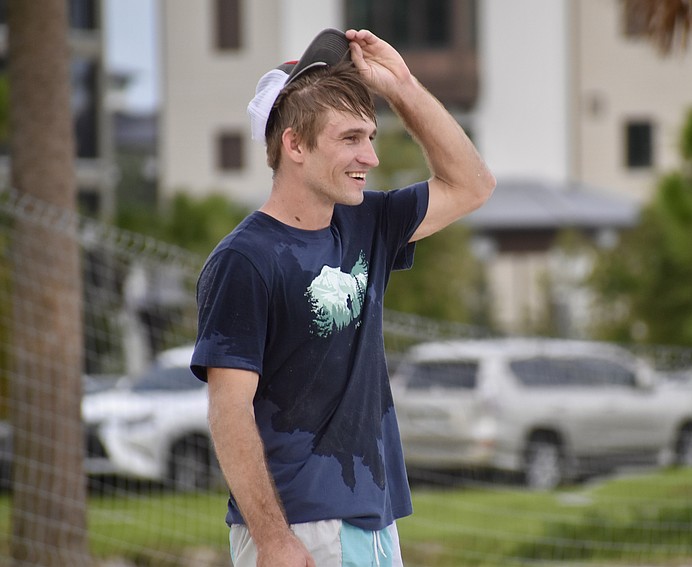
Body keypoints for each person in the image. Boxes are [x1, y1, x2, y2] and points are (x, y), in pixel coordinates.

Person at [191, 27, 495, 567]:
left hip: (376, 519)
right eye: (351, 138)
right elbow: (228, 409)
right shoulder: (245, 258)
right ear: (296, 146)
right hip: (300, 528)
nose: (371, 157)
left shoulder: (367, 223)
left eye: (371, 136)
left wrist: (401, 86)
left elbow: (473, 184)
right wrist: (274, 539)